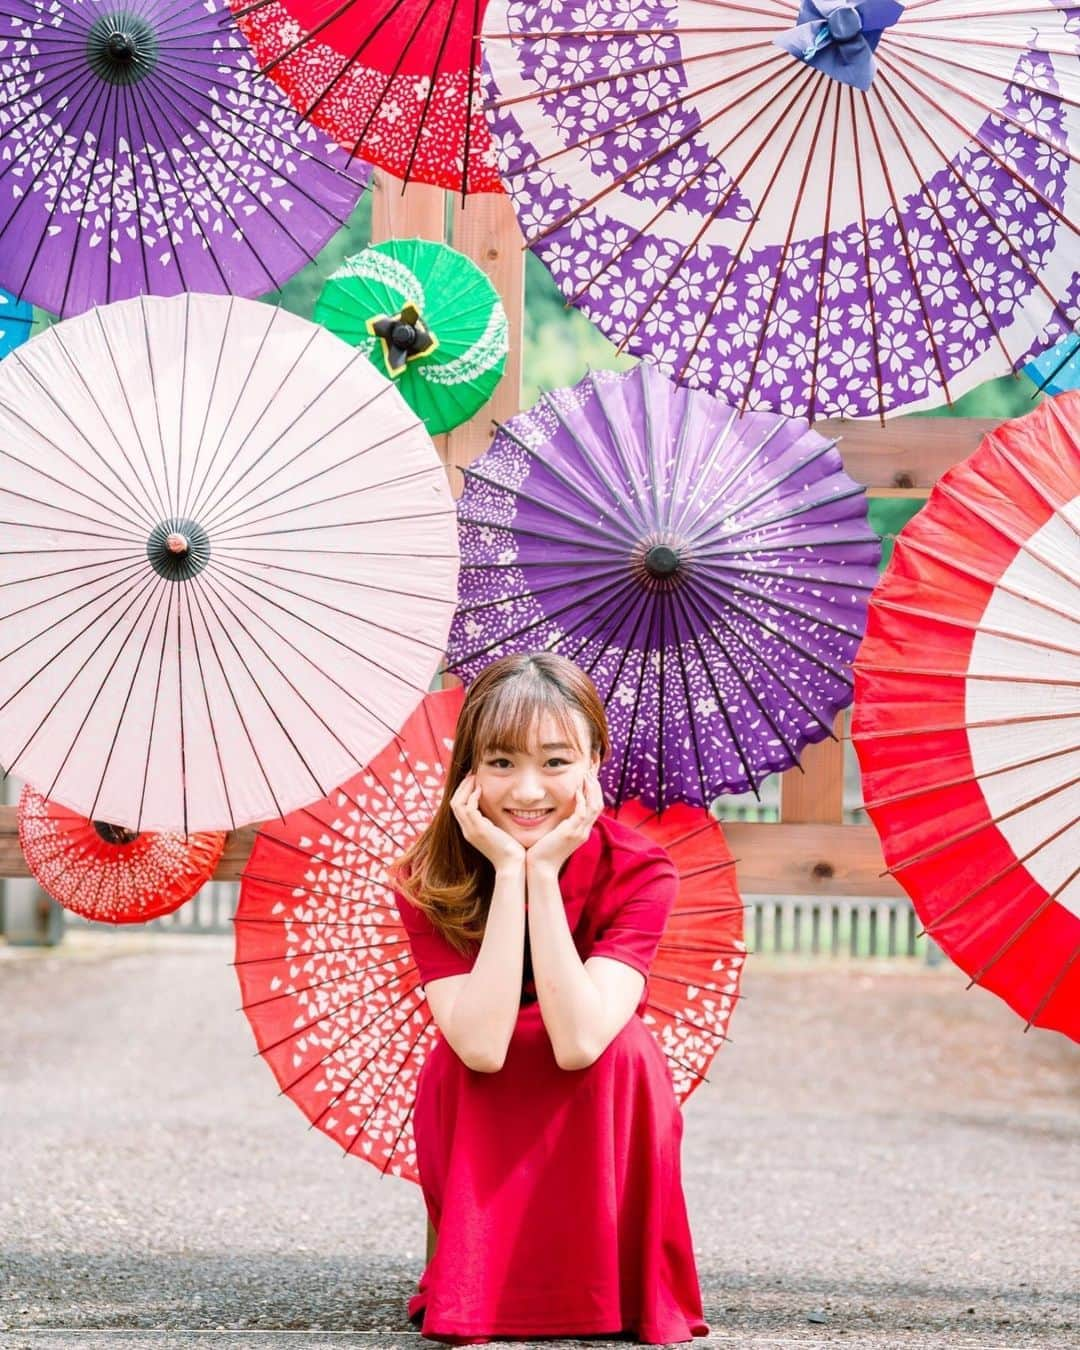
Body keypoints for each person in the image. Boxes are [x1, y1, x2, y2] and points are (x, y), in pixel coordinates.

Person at [392, 652, 709, 1346]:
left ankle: (608, 1281)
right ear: (468, 768)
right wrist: (509, 872)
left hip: (593, 1065)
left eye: (556, 762)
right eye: (501, 762)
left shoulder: (642, 869)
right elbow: (478, 1042)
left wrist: (544, 877)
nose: (528, 789)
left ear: (596, 759)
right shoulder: (430, 874)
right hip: (485, 1066)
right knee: (464, 1059)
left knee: (622, 1049)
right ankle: (479, 1278)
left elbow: (580, 1041)